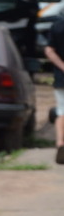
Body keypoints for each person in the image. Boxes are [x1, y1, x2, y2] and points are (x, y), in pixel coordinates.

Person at [45, 13, 64, 164]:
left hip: (61, 78)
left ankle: (60, 143)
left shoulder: (58, 25)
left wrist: (62, 66)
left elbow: (49, 51)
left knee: (62, 111)